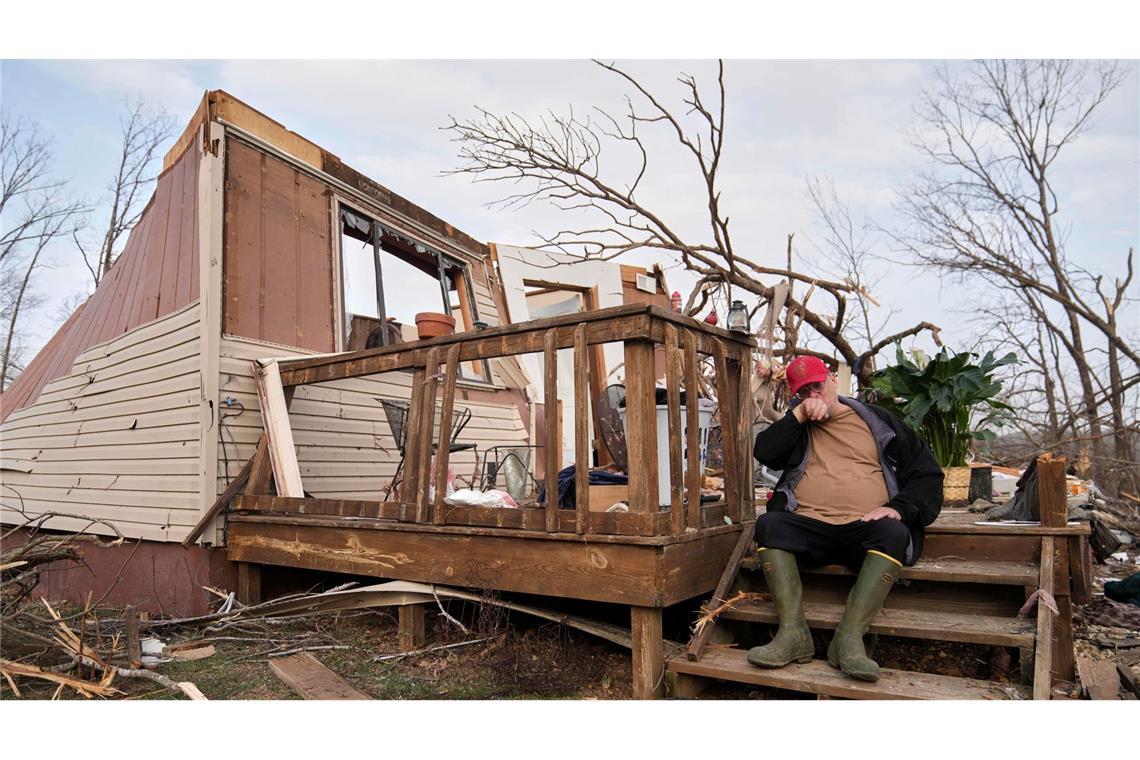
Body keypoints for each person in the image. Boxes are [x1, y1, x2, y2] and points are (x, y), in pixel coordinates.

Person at [748, 355, 943, 682]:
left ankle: (850, 638)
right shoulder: (798, 426)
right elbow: (765, 451)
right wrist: (797, 415)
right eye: (803, 392)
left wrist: (899, 508)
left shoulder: (881, 423)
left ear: (833, 381)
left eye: (817, 386)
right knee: (769, 525)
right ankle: (793, 634)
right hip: (810, 527)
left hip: (863, 530)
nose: (813, 396)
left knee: (894, 533)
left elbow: (927, 475)